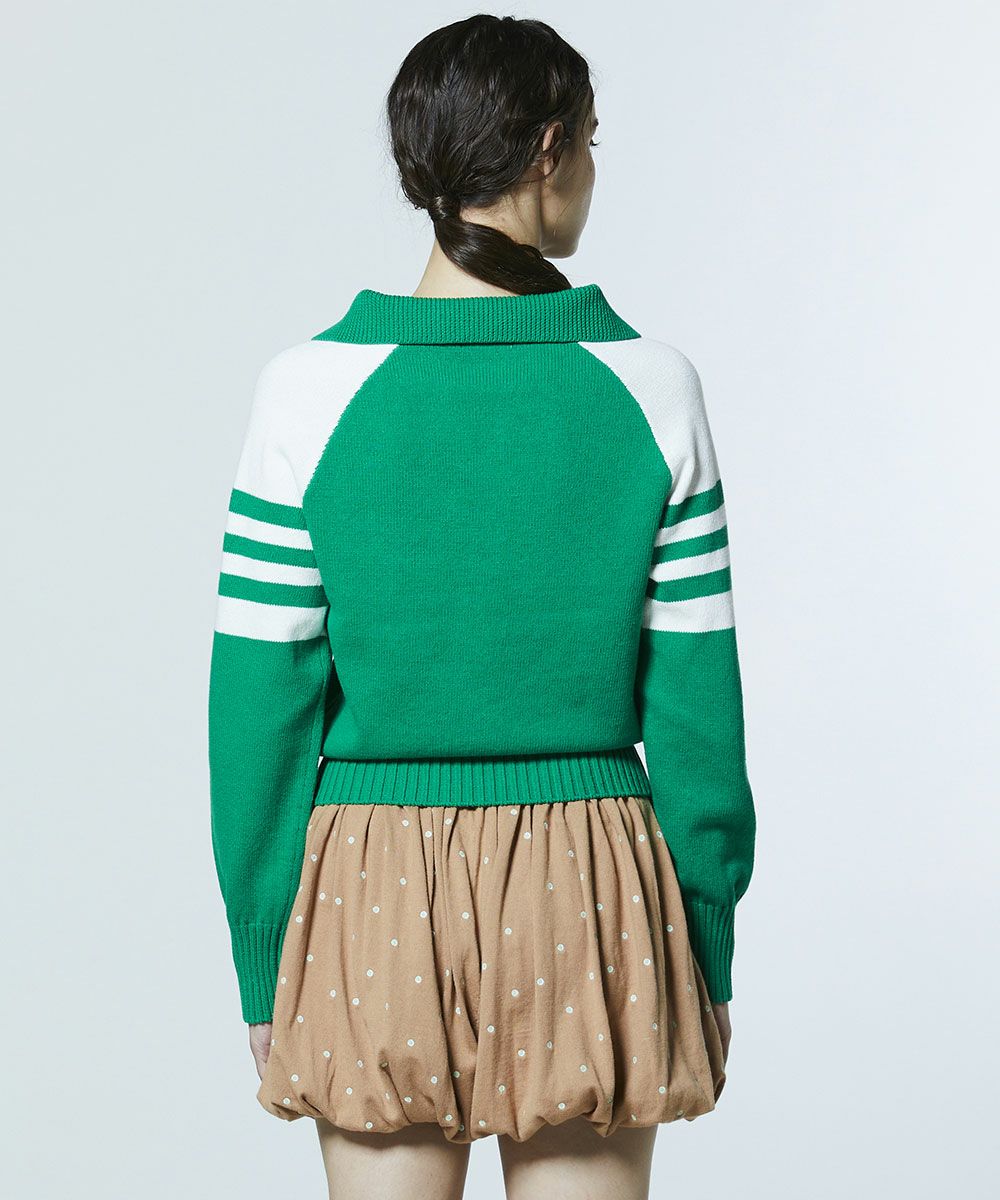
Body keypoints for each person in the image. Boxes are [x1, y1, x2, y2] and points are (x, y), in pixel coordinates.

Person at [207, 14, 756, 1200]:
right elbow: (698, 716)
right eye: (592, 140)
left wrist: (264, 957)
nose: (593, 168)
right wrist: (706, 943)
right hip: (593, 882)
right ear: (549, 149)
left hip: (367, 884)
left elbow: (258, 713)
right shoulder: (652, 387)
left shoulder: (306, 391)